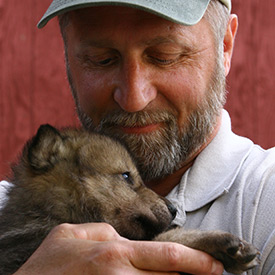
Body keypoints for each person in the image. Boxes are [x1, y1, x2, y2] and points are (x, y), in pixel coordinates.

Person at [1, 0, 274, 274]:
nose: (134, 98)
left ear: (224, 46)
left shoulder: (265, 200)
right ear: (68, 58)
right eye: (102, 59)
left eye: (165, 56)